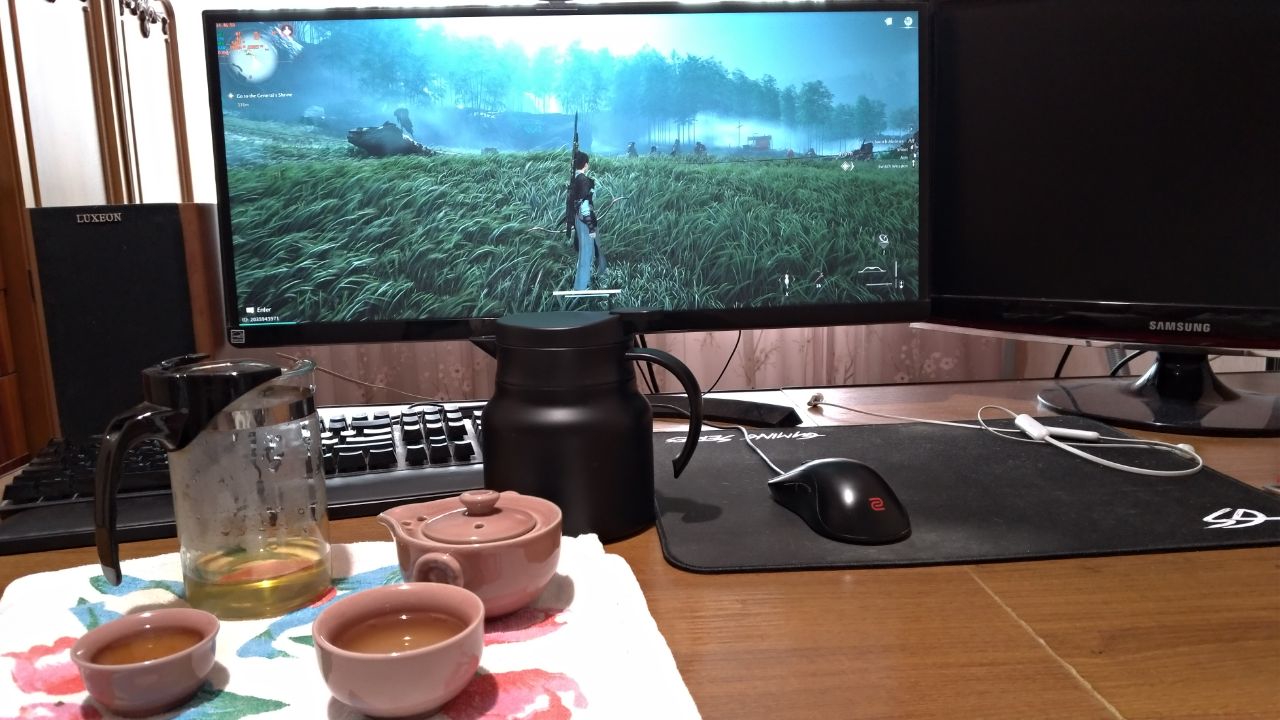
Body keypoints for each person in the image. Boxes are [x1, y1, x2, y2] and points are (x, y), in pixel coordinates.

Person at [568, 151, 605, 290]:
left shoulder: (575, 179)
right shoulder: (583, 180)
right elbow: (583, 205)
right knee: (586, 253)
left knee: (596, 248)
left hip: (581, 219)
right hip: (585, 219)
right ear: (586, 164)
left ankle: (602, 277)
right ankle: (581, 287)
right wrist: (590, 227)